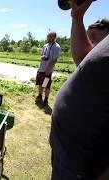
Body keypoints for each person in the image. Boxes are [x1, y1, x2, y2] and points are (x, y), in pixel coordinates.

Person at [50, 0, 109, 179]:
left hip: (86, 167)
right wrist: (77, 19)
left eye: (93, 37)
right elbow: (83, 58)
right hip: (66, 155)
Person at [35, 32, 61, 105]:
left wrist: (48, 69)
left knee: (46, 85)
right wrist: (42, 57)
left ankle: (46, 99)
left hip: (47, 70)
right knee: (40, 83)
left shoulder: (56, 47)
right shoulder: (45, 45)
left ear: (54, 37)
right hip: (41, 68)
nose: (48, 37)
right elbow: (42, 54)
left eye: (50, 36)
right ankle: (40, 96)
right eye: (48, 36)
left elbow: (55, 59)